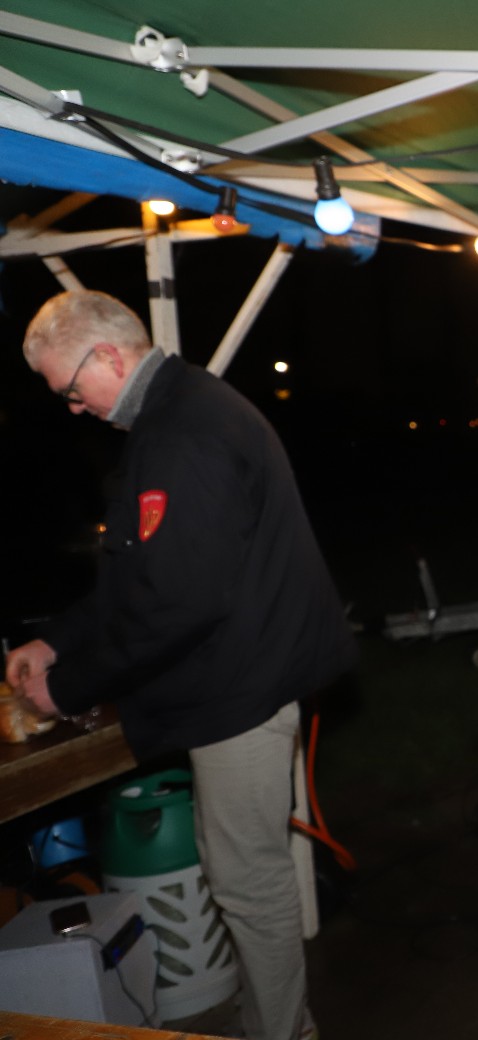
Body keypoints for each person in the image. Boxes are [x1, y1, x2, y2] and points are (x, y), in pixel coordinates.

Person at [5, 290, 356, 1040]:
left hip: (241, 695)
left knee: (250, 886)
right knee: (240, 875)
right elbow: (135, 575)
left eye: (71, 391)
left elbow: (177, 604)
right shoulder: (178, 413)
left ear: (107, 355)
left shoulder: (185, 435)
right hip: (239, 682)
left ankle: (284, 1033)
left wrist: (65, 688)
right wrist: (57, 641)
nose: (74, 408)